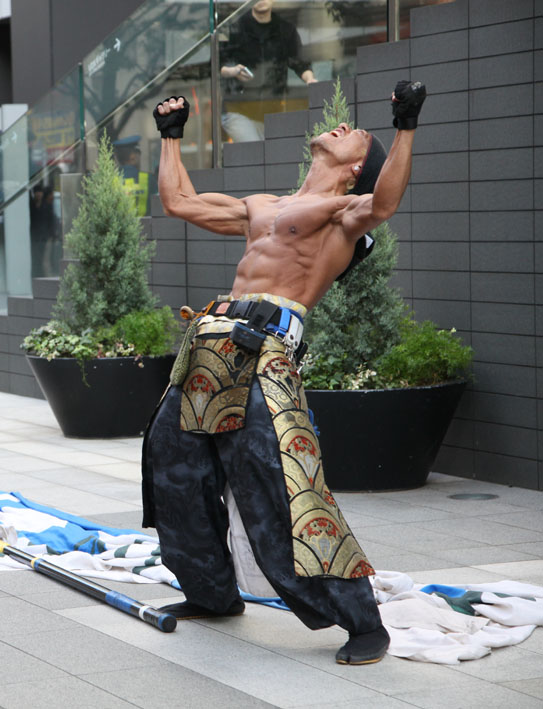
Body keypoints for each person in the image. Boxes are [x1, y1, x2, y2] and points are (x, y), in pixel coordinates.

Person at [145, 80, 426, 666]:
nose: (344, 126)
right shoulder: (262, 206)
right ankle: (211, 593)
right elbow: (180, 203)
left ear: (354, 171)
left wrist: (404, 129)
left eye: (358, 136)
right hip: (207, 345)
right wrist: (171, 138)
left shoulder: (340, 215)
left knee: (281, 487)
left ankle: (362, 621)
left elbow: (384, 204)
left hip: (265, 352)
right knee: (177, 470)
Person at [219, 0, 316, 142]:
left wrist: (310, 80)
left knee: (272, 156)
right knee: (254, 150)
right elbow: (218, 64)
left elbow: (300, 63)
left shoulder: (285, 29)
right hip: (238, 109)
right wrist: (232, 71)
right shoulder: (235, 28)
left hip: (272, 112)